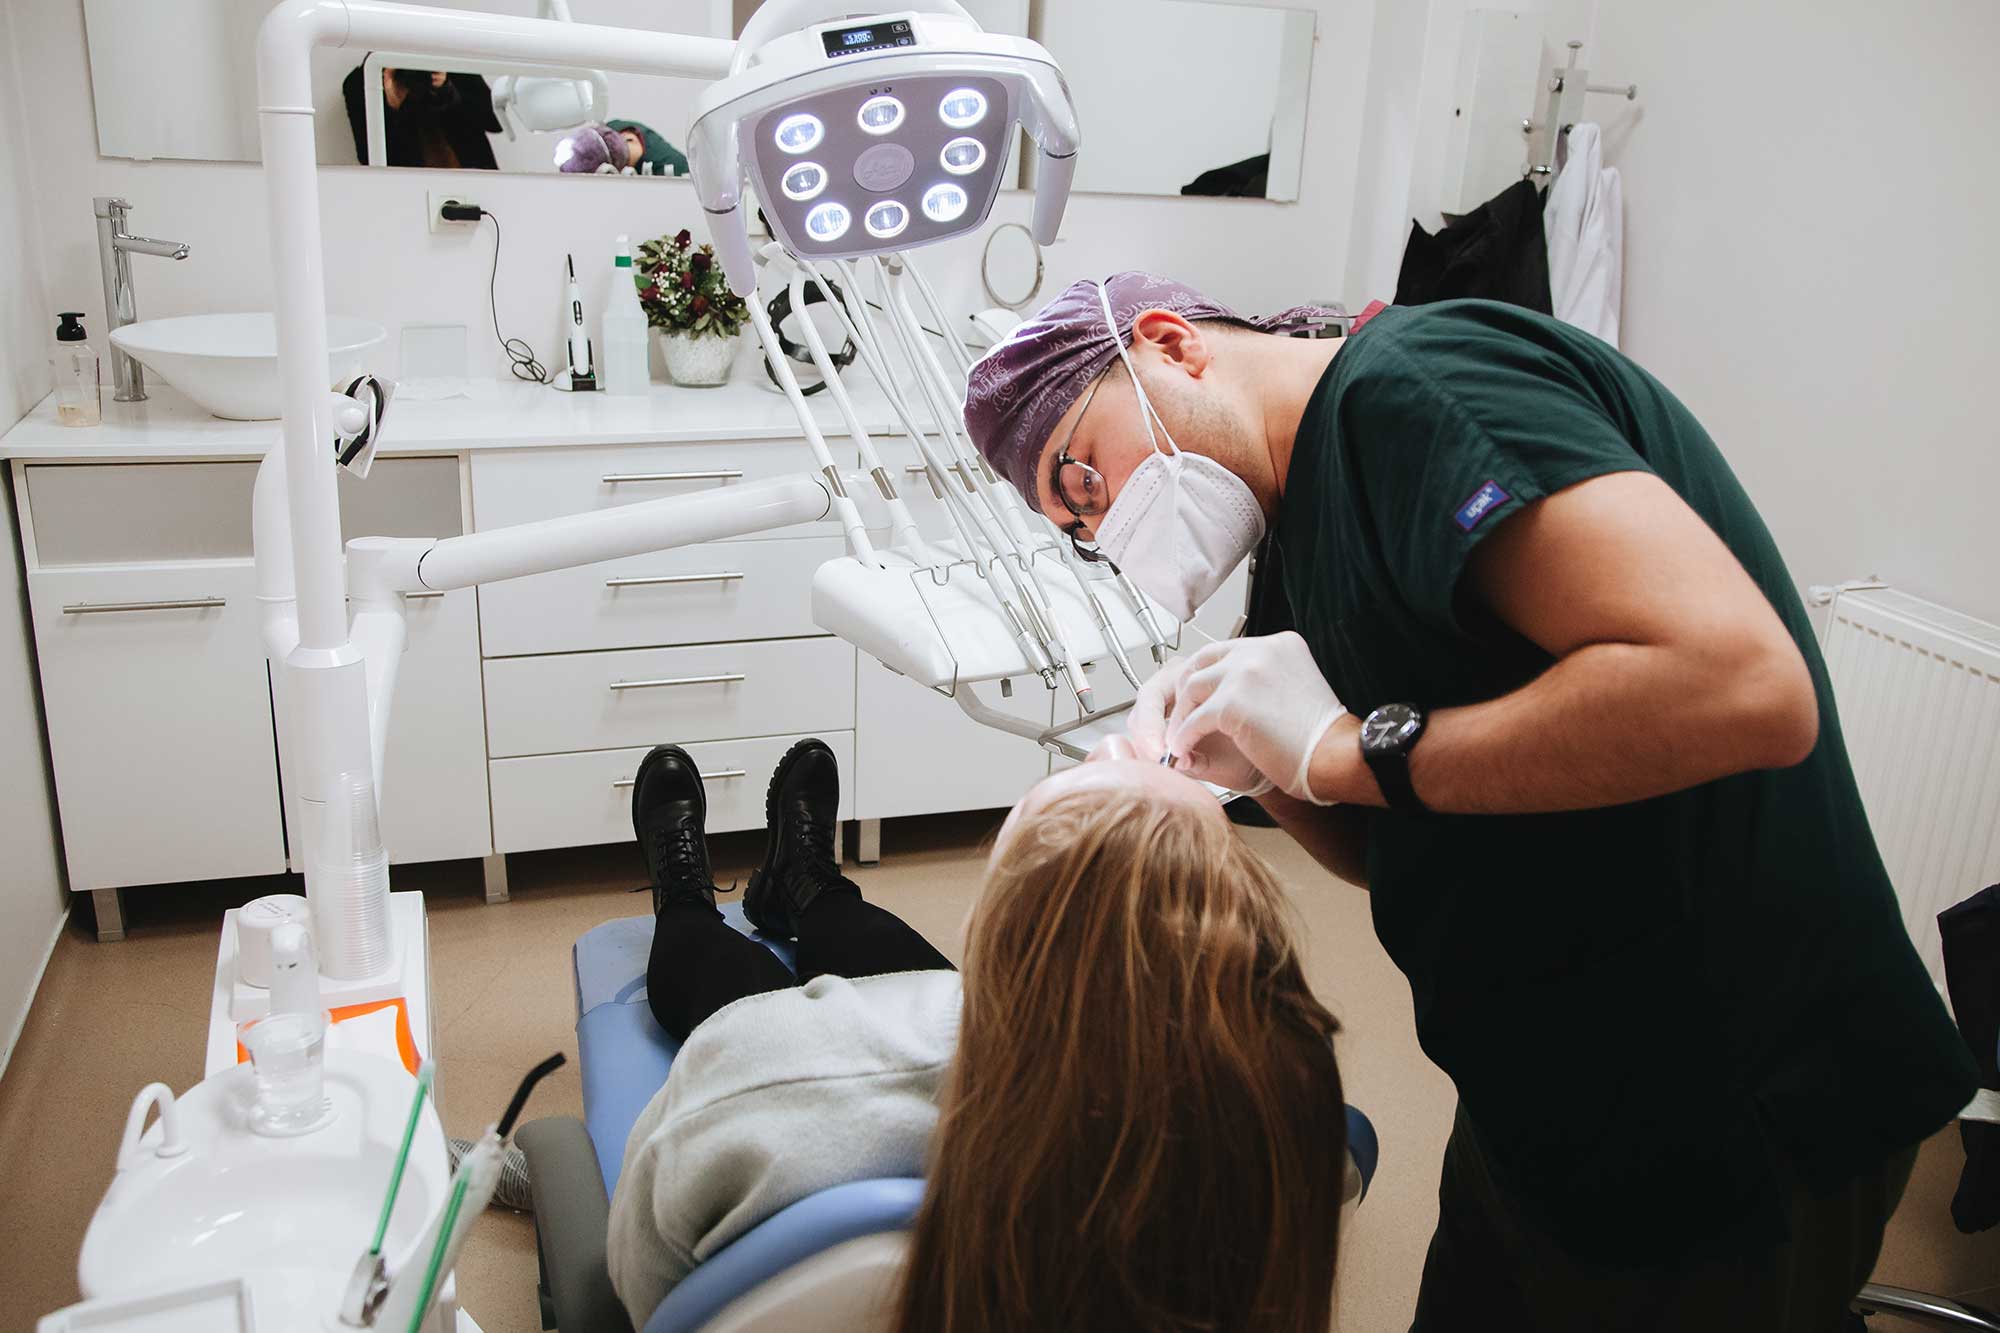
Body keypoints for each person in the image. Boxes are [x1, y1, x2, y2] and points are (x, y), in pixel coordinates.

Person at [962, 273, 1979, 1331]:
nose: (1108, 524)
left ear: (1169, 344)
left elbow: (1742, 688)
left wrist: (1347, 749)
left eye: (1082, 475)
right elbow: (1396, 837)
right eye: (1078, 526)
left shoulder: (1422, 394)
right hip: (1543, 1093)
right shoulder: (1297, 527)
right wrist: (1273, 767)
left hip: (1729, 1089)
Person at [607, 738, 1347, 1332]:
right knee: (852, 927)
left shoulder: (755, 1071)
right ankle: (803, 883)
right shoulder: (1285, 1117)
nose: (1118, 745)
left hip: (791, 1073)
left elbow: (643, 1282)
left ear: (991, 926)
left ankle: (686, 906)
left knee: (720, 969)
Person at [341, 62, 501, 169]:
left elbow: (495, 122)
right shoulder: (363, 81)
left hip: (476, 183)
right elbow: (368, 159)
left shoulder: (449, 63)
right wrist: (394, 108)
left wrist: (447, 90)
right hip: (410, 195)